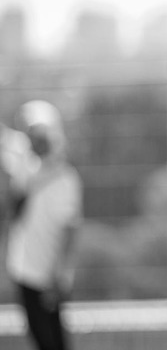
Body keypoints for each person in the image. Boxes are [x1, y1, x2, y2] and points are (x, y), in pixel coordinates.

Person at [4, 101, 82, 350]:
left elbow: (70, 230)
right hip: (24, 269)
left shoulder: (66, 179)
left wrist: (62, 274)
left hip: (48, 276)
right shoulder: (26, 171)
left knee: (53, 341)